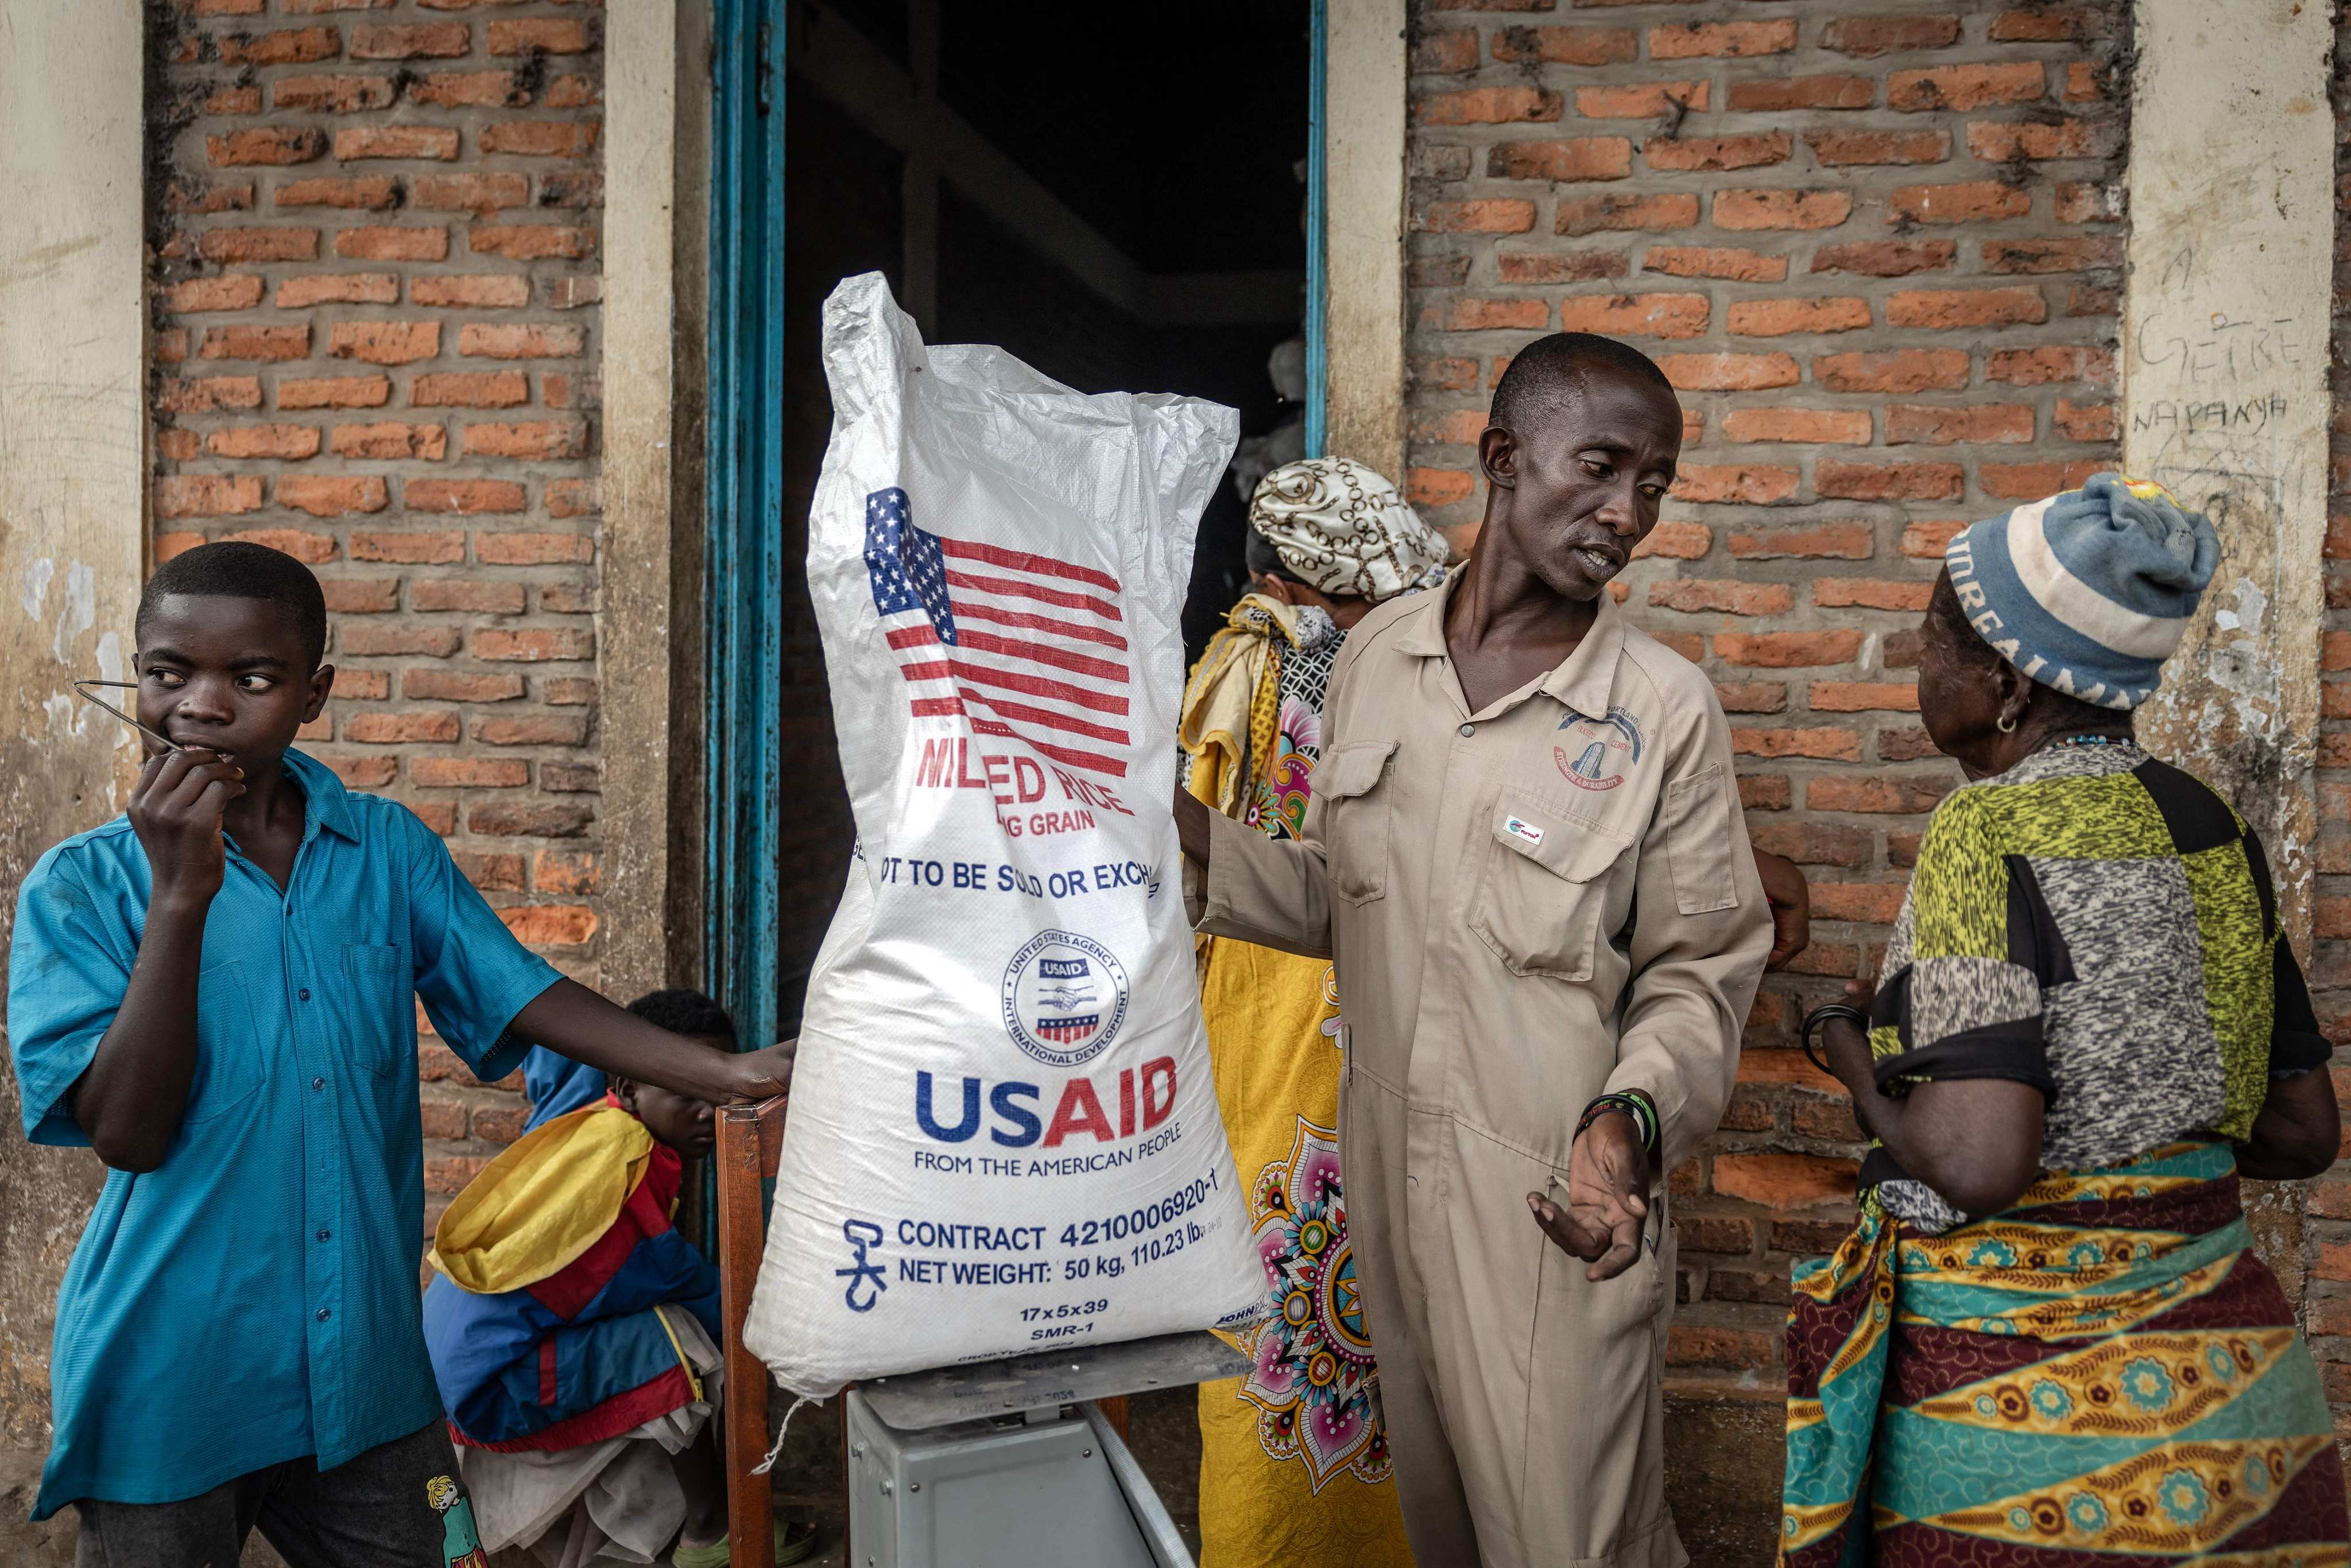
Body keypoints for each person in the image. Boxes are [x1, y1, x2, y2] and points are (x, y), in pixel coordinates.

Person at [6, 542, 795, 1566]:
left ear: (313, 694)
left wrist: (725, 1076)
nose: (201, 704)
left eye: (250, 678)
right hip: (172, 1375)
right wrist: (180, 897)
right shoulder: (83, 887)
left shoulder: (384, 850)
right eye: (168, 672)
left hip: (368, 1374)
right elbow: (126, 1131)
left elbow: (521, 991)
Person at [1173, 333, 1779, 1567]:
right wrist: (1185, 837)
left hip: (1552, 1194)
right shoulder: (1376, 664)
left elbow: (1699, 969)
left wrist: (1628, 1124)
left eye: (1654, 485)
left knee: (1573, 1541)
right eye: (1601, 469)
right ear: (1502, 458)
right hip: (1379, 1177)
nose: (1627, 514)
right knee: (1437, 1530)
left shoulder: (1658, 711)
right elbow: (1347, 899)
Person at [1780, 474, 2350, 1565]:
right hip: (2235, 1421)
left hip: (2026, 1430)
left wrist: (1857, 1057)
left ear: (2001, 680)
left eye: (1928, 644)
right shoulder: (2212, 827)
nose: (1917, 669)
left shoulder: (1980, 829)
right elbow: (2299, 1133)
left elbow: (1980, 1160)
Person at [426, 988, 815, 1568]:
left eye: (718, 1090)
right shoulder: (628, 1167)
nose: (710, 1110)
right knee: (679, 1339)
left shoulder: (589, 1118)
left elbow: (554, 1059)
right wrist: (791, 1320)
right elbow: (689, 1288)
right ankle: (711, 1528)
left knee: (674, 1335)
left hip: (448, 1367)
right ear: (630, 1088)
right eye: (687, 1091)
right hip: (488, 1388)